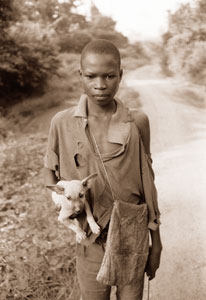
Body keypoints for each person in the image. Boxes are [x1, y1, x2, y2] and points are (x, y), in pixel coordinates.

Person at [44, 39, 162, 300]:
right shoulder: (62, 123)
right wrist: (58, 199)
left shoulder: (137, 122)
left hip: (132, 234)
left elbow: (148, 183)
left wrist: (157, 244)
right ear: (80, 76)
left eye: (109, 76)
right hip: (90, 237)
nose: (100, 85)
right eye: (91, 76)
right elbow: (49, 171)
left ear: (120, 75)